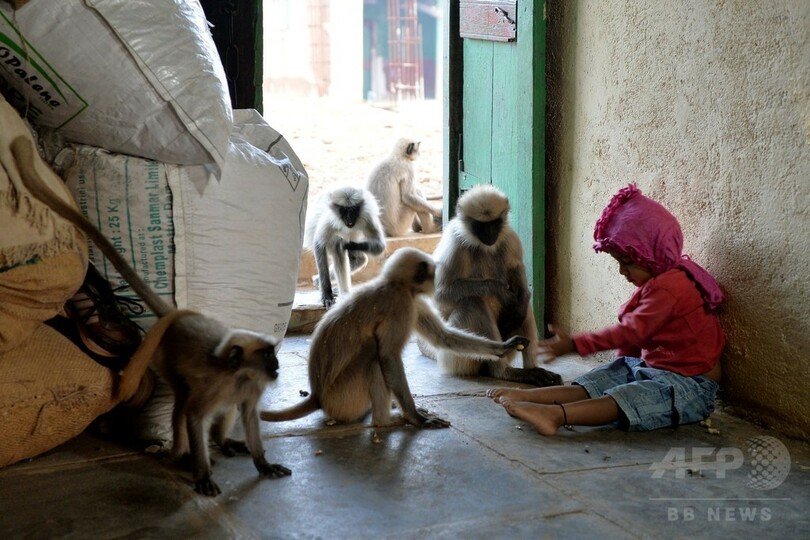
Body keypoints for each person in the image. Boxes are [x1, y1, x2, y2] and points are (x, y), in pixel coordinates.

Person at [487, 184, 725, 435]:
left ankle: (555, 415)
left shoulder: (670, 288)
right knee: (605, 376)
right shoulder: (660, 281)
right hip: (654, 369)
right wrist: (623, 365)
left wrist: (576, 344)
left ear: (653, 253)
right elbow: (635, 342)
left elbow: (631, 332)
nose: (623, 271)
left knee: (628, 396)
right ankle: (536, 399)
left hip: (690, 387)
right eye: (619, 262)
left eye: (628, 262)